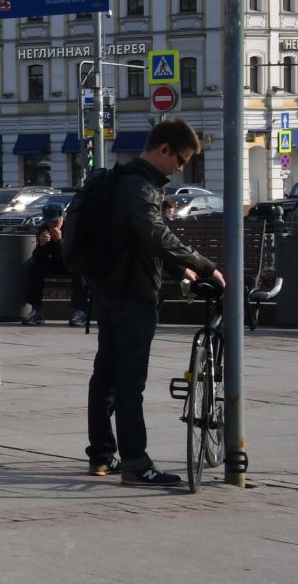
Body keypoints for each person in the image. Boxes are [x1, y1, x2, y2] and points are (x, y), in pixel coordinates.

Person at [82, 117, 220, 486]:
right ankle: (136, 463)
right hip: (133, 296)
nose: (180, 168)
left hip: (111, 290)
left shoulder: (122, 181)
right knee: (129, 383)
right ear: (163, 149)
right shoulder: (139, 187)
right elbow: (154, 234)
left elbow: (137, 241)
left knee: (106, 377)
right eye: (180, 159)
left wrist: (178, 272)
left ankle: (101, 456)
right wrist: (203, 266)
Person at [22, 209, 89, 327]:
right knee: (35, 268)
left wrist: (59, 241)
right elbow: (37, 258)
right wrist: (41, 245)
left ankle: (81, 311)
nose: (52, 225)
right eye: (49, 222)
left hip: (73, 262)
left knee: (78, 271)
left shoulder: (72, 228)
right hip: (58, 262)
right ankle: (36, 310)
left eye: (55, 222)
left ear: (62, 218)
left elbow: (72, 256)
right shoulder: (44, 229)